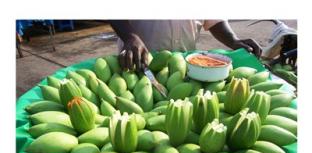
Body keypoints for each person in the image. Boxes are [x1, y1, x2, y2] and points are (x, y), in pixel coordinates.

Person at [109, 20, 262, 71]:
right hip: (139, 63)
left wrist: (233, 40)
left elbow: (214, 18)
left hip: (185, 68)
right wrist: (130, 36)